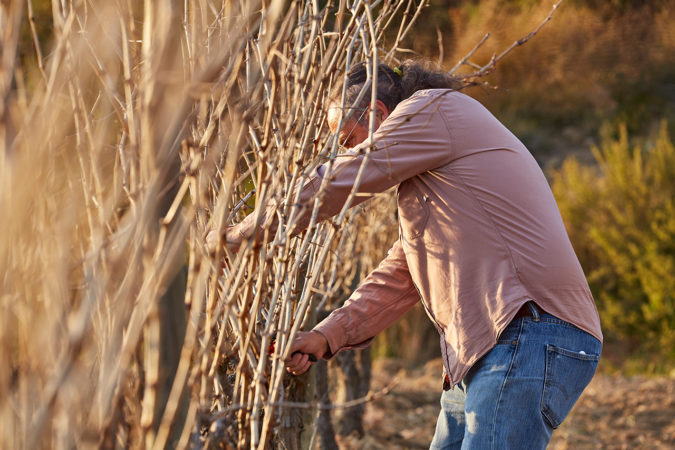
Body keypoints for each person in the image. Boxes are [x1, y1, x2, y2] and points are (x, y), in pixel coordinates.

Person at [215, 60, 603, 449]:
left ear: (376, 113)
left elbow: (341, 179)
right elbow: (401, 276)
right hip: (490, 346)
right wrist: (326, 335)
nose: (347, 151)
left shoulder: (435, 109)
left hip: (527, 330)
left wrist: (242, 235)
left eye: (348, 139)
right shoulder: (437, 180)